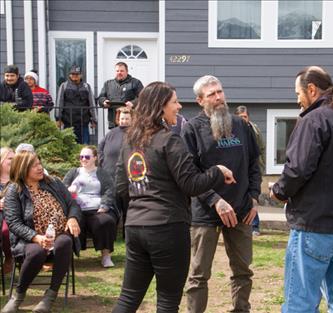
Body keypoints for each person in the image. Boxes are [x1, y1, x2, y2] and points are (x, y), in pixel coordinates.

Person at [112, 81, 235, 313]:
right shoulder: (170, 140)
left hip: (136, 226)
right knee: (168, 301)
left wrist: (142, 203)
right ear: (160, 107)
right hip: (167, 228)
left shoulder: (130, 141)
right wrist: (218, 171)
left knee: (128, 297)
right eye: (174, 102)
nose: (178, 107)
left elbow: (121, 186)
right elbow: (191, 184)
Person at [269, 66, 333, 312]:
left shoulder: (313, 119)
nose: (297, 99)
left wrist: (279, 191)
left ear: (312, 89)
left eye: (298, 93)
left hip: (316, 226)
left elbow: (297, 169)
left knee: (300, 302)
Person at [182, 75, 261, 313]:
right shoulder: (192, 129)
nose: (218, 98)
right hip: (206, 212)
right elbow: (189, 174)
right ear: (199, 100)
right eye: (211, 94)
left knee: (243, 271)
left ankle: (240, 310)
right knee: (198, 275)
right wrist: (215, 201)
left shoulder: (241, 125)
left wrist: (254, 198)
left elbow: (254, 165)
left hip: (241, 209)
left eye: (220, 92)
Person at [2, 151, 81, 313]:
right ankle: (18, 296)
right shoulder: (14, 191)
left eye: (40, 163)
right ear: (22, 168)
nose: (40, 168)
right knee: (37, 252)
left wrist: (72, 218)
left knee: (65, 241)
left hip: (59, 234)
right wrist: (36, 237)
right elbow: (14, 223)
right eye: (34, 165)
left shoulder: (54, 183)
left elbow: (72, 204)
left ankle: (50, 296)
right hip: (30, 239)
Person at [63, 146, 119, 268]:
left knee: (105, 221)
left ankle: (105, 255)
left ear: (94, 158)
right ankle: (68, 256)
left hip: (97, 209)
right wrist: (69, 191)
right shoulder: (73, 172)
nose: (84, 159)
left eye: (87, 157)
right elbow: (63, 189)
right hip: (76, 209)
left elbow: (109, 190)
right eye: (81, 157)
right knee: (70, 224)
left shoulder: (102, 173)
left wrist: (104, 206)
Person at [98, 107, 132, 235]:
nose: (124, 121)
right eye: (122, 118)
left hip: (128, 178)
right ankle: (113, 233)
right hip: (110, 175)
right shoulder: (110, 134)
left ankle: (127, 233)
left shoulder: (135, 133)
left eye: (127, 119)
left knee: (128, 207)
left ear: (132, 120)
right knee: (114, 207)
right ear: (118, 120)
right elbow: (100, 148)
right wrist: (102, 162)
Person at [234, 105, 265, 236]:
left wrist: (261, 167)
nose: (243, 119)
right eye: (240, 117)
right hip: (239, 171)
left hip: (253, 170)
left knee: (253, 196)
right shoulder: (232, 130)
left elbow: (261, 149)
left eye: (245, 117)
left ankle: (255, 225)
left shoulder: (255, 130)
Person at [55, 65, 97, 144]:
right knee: (68, 145)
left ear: (81, 75)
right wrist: (58, 119)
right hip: (68, 122)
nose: (74, 76)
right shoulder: (64, 86)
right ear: (69, 75)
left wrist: (94, 120)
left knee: (84, 145)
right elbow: (59, 103)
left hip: (83, 122)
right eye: (72, 74)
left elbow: (92, 104)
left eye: (77, 74)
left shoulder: (86, 86)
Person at [98, 62, 143, 129]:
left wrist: (133, 103)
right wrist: (104, 102)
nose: (119, 72)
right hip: (113, 121)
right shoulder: (108, 84)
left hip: (130, 121)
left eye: (122, 71)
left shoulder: (136, 83)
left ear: (127, 71)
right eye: (117, 71)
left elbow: (143, 98)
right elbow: (101, 97)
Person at [0, 147, 15, 274]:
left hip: (12, 214)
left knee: (5, 231)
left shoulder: (19, 179)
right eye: (10, 158)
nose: (14, 161)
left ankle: (9, 258)